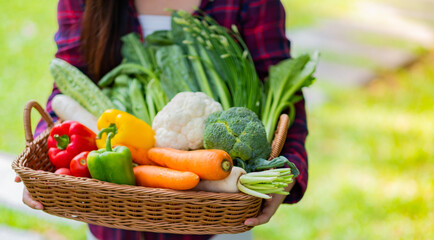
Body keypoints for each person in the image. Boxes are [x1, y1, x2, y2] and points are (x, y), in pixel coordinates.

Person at [15, 0, 309, 239]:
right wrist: (42, 166)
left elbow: (284, 91)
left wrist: (288, 169)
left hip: (217, 228)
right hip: (113, 226)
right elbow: (68, 82)